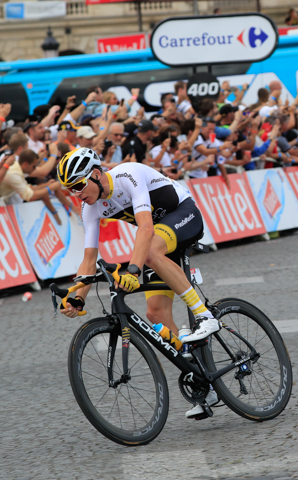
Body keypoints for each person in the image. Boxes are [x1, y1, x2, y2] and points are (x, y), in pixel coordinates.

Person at [55, 148, 221, 420]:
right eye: (70, 189)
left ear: (96, 174)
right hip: (159, 238)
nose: (76, 193)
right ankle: (203, 381)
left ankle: (204, 315)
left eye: (78, 185)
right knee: (155, 313)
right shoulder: (90, 207)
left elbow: (146, 228)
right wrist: (77, 297)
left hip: (184, 214)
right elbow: (88, 260)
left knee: (152, 253)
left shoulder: (127, 175)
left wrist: (133, 270)